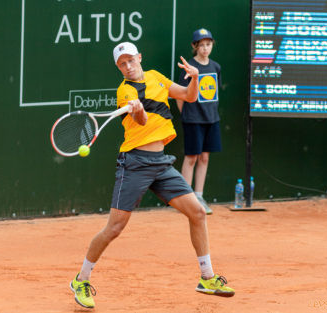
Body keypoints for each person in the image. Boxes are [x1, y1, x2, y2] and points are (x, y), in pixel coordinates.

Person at [69, 42, 234, 309]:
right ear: (118, 67)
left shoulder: (156, 77)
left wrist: (194, 78)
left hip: (161, 162)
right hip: (134, 163)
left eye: (130, 60)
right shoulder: (124, 91)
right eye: (122, 64)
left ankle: (207, 277)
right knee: (115, 228)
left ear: (139, 57)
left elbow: (189, 97)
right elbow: (143, 122)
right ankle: (81, 279)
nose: (128, 66)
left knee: (198, 213)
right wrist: (137, 109)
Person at [176, 28, 223, 215]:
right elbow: (180, 95)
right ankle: (185, 199)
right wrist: (187, 114)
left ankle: (199, 196)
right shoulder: (189, 67)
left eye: (208, 44)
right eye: (201, 45)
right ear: (194, 47)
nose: (205, 48)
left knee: (204, 157)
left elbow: (214, 94)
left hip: (211, 119)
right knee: (191, 158)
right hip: (193, 119)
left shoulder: (216, 67)